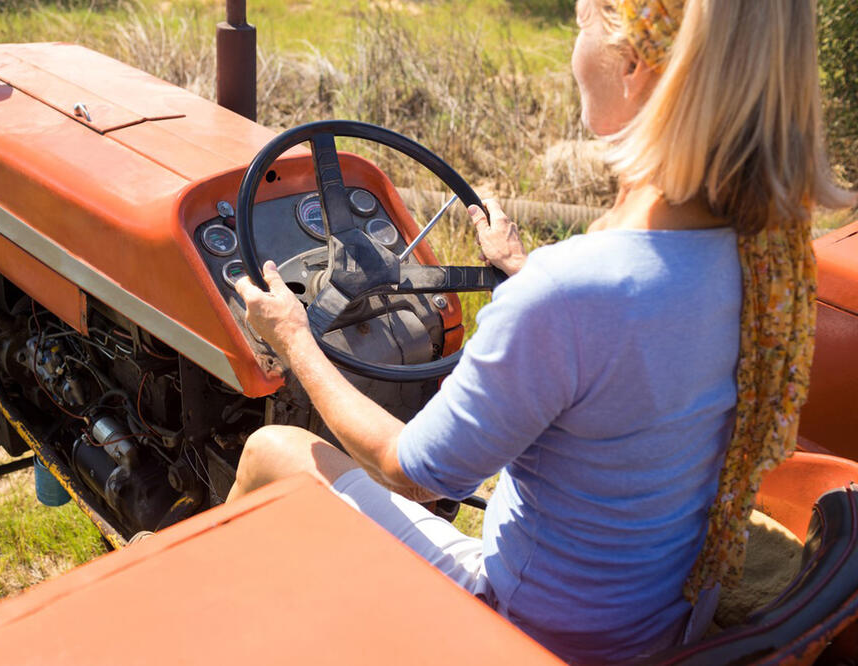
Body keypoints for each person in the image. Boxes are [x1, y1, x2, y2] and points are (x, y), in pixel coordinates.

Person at [229, 0, 856, 662]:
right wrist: (522, 272)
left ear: (633, 64)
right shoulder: (762, 258)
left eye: (581, 23)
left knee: (275, 452)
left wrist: (295, 335)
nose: (572, 44)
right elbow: (631, 337)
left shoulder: (569, 293)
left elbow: (412, 472)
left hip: (527, 632)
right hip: (659, 621)